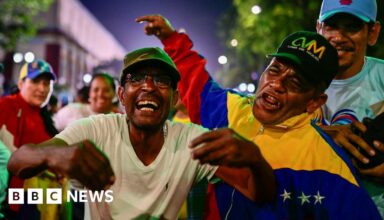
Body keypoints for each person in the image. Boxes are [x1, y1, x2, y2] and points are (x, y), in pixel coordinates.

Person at [137, 15, 381, 219]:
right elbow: (195, 80)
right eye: (274, 70)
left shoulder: (330, 168)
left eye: (295, 81)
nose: (276, 84)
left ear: (315, 102)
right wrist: (170, 38)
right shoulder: (230, 108)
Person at [7, 47, 276, 219]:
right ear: (122, 96)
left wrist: (255, 159)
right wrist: (56, 154)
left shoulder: (191, 141)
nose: (148, 86)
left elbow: (258, 193)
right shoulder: (96, 129)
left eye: (161, 80)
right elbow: (17, 161)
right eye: (136, 79)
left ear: (174, 98)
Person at [316, 0, 384, 218]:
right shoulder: (294, 81)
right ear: (318, 29)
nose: (339, 37)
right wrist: (324, 135)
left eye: (352, 27)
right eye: (331, 26)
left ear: (373, 33)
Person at [0, 59, 68, 219]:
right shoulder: (6, 106)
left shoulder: (46, 119)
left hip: (44, 201)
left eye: (47, 84)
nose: (42, 88)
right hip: (15, 202)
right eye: (36, 81)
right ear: (21, 83)